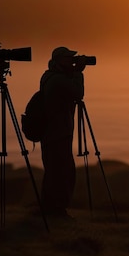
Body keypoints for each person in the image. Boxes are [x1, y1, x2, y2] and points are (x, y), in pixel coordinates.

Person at [40, 46, 86, 217]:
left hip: (53, 132)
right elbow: (78, 93)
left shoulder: (49, 76)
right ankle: (57, 211)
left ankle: (50, 209)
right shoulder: (57, 80)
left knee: (54, 171)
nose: (72, 61)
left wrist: (72, 72)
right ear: (59, 61)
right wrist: (79, 73)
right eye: (69, 58)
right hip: (57, 133)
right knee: (62, 172)